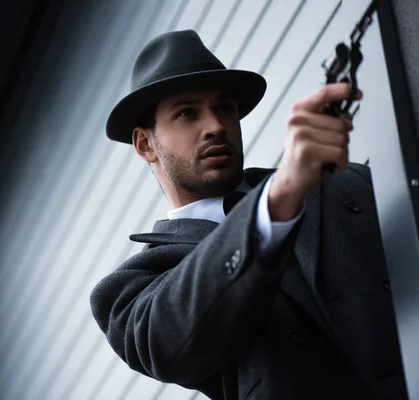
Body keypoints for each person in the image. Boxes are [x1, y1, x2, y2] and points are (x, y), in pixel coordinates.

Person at [89, 30, 408, 399]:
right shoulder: (131, 290)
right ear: (145, 144)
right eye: (187, 113)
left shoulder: (343, 182)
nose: (215, 126)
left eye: (224, 108)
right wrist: (276, 201)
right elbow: (171, 340)